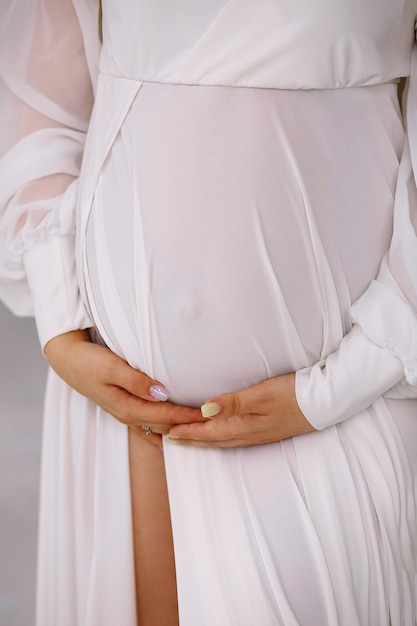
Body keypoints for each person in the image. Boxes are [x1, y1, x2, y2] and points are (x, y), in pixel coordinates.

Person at [1, 1, 417, 624]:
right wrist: (62, 315)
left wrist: (349, 378)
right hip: (116, 400)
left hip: (351, 398)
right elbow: (43, 87)